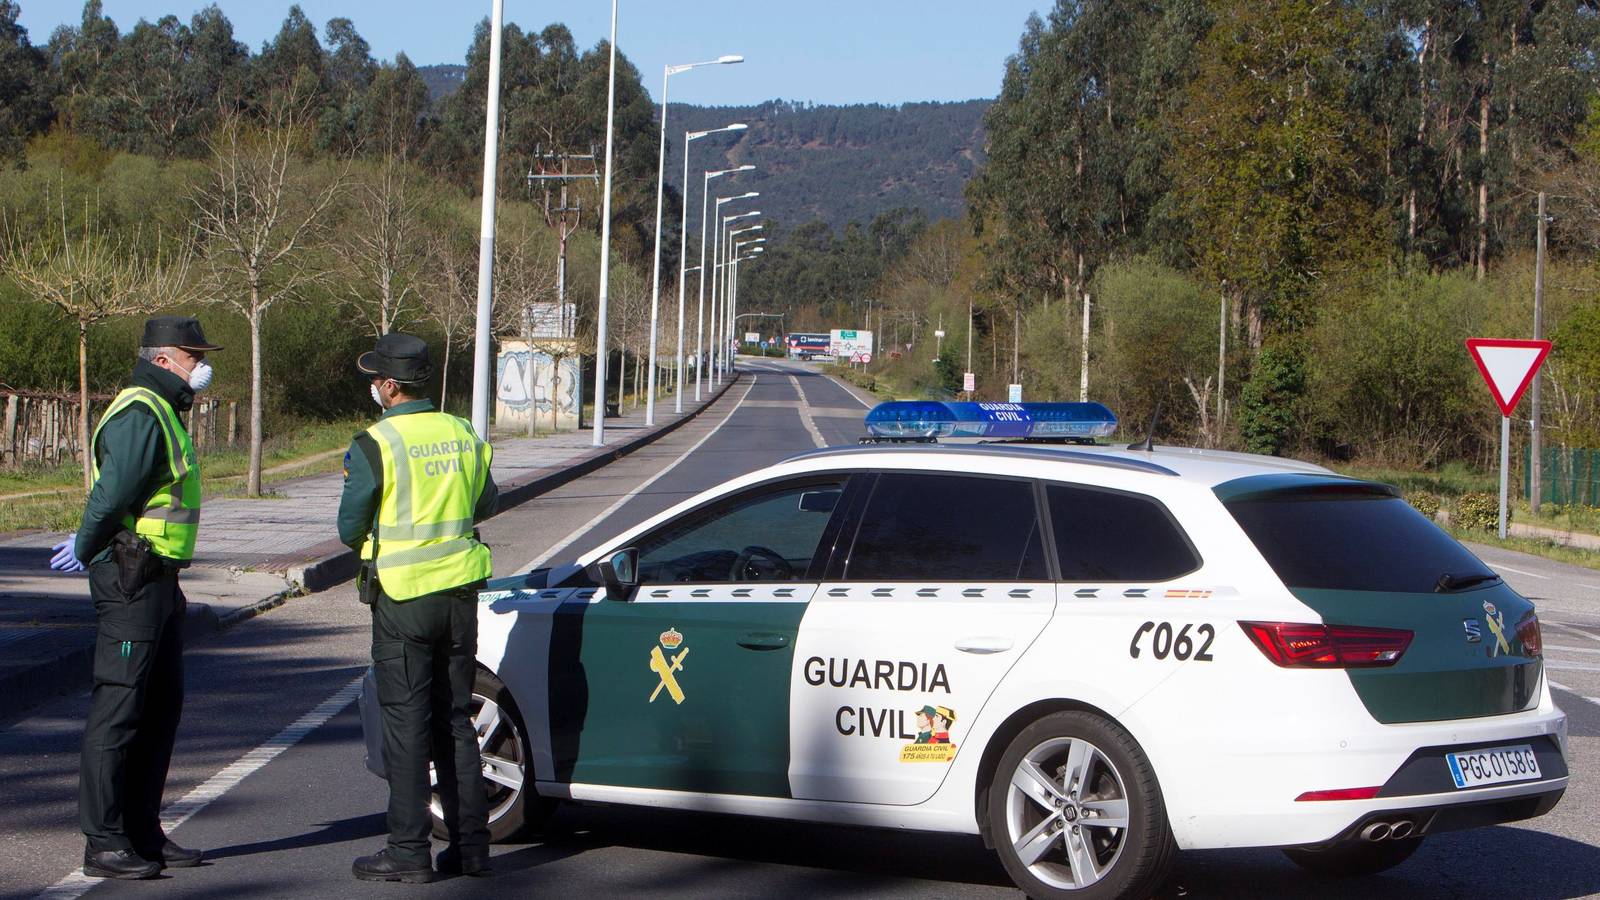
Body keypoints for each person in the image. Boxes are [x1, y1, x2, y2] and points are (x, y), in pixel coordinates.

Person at [48, 316, 221, 879]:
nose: (202, 367)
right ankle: (103, 840)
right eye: (194, 356)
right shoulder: (142, 410)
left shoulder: (162, 408)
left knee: (159, 707)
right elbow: (113, 491)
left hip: (159, 579)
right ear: (165, 359)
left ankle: (143, 829)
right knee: (120, 709)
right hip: (131, 577)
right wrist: (84, 543)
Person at [338, 333, 499, 884]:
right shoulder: (461, 432)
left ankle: (409, 852)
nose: (372, 388)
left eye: (374, 380)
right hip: (459, 594)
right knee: (455, 719)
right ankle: (472, 848)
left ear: (389, 386)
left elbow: (347, 528)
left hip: (404, 598)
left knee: (406, 725)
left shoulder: (375, 443)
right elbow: (487, 501)